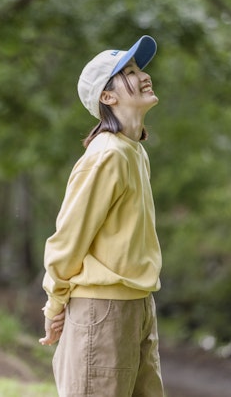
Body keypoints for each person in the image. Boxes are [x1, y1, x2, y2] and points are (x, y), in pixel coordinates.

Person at [38, 35, 165, 397]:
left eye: (139, 69)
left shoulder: (134, 151)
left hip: (137, 305)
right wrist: (55, 303)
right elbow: (69, 239)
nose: (143, 76)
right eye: (129, 72)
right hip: (103, 309)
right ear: (107, 97)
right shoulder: (107, 154)